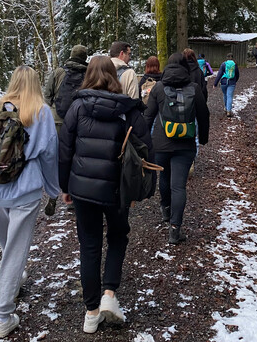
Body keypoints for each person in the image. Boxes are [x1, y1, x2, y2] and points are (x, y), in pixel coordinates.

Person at [58, 56, 152, 334]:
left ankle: (91, 313)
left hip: (83, 190)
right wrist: (137, 189)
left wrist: (65, 187)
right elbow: (146, 150)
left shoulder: (77, 107)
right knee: (118, 237)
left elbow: (64, 151)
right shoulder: (128, 109)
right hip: (117, 189)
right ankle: (109, 294)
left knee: (89, 245)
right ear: (114, 76)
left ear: (88, 76)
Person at [0, 66, 60, 339]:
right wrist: (53, 188)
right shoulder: (41, 111)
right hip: (26, 191)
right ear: (35, 83)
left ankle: (14, 280)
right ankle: (4, 316)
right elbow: (49, 155)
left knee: (8, 245)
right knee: (15, 250)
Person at [143, 53, 210, 244]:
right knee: (179, 185)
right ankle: (175, 229)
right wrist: (203, 138)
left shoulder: (158, 88)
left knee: (164, 177)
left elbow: (148, 116)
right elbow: (204, 115)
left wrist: (144, 142)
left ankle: (165, 210)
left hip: (161, 143)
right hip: (185, 144)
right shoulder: (194, 88)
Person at [44, 45, 88, 138]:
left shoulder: (59, 72)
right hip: (80, 121)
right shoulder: (89, 74)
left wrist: (52, 110)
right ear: (85, 57)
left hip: (57, 119)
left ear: (71, 55)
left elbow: (47, 95)